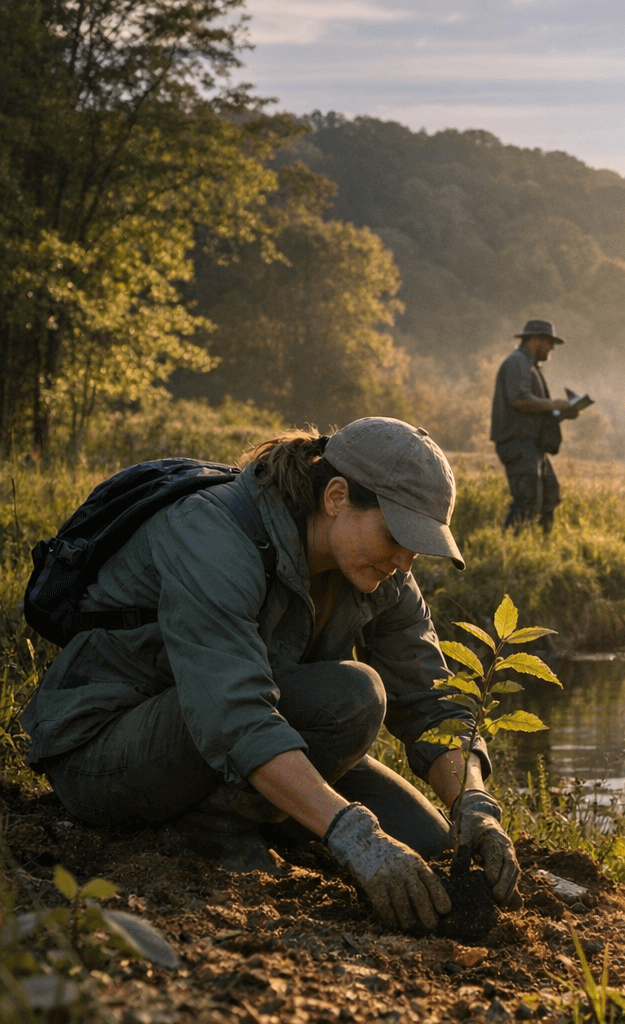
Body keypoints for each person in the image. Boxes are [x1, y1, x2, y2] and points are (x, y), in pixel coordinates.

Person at [20, 418, 520, 931]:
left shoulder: (382, 574)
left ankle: (266, 810)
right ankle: (210, 830)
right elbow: (234, 714)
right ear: (337, 497)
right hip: (109, 746)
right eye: (397, 534)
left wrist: (474, 802)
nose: (405, 560)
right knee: (353, 696)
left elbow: (430, 703)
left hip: (247, 731)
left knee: (433, 844)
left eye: (419, 544)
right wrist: (351, 834)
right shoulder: (212, 532)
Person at [491, 318, 580, 534]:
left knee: (550, 497)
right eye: (549, 342)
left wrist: (561, 412)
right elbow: (519, 401)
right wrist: (554, 404)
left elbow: (535, 410)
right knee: (527, 500)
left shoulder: (529, 367)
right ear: (537, 340)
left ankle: (539, 548)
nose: (551, 348)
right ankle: (509, 551)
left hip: (532, 446)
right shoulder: (517, 363)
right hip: (518, 443)